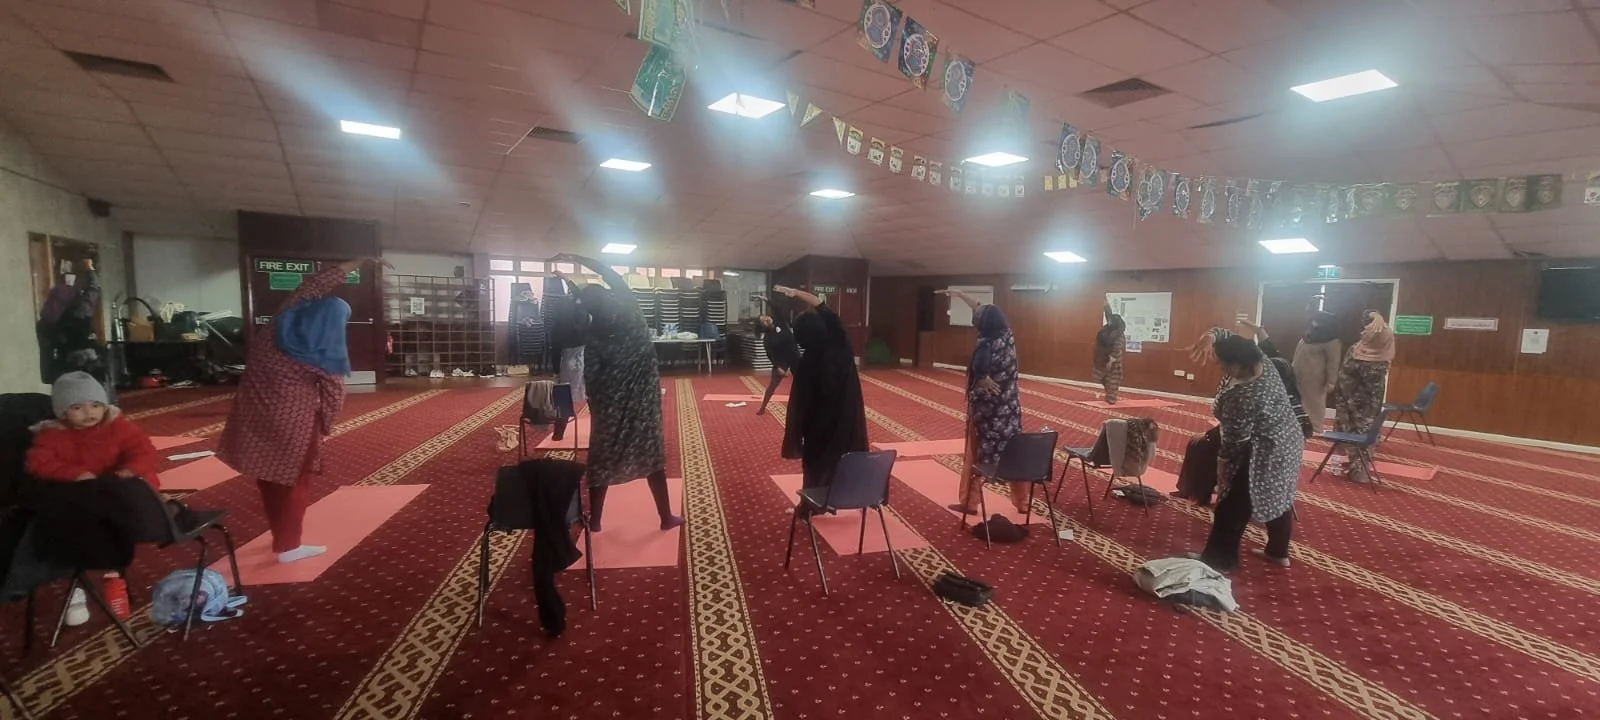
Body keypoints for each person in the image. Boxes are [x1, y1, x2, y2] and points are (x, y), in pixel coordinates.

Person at [219, 258, 374, 563]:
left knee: (269, 477)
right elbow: (333, 396)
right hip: (292, 424)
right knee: (293, 483)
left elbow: (311, 285)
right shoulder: (322, 353)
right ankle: (289, 546)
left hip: (252, 416)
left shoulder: (281, 323)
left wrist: (356, 263)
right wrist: (326, 428)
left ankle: (281, 535)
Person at [554, 255, 682, 532]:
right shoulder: (633, 315)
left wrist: (599, 407)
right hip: (644, 407)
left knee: (602, 460)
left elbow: (592, 380)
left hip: (610, 410)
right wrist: (577, 259)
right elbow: (612, 275)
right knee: (652, 458)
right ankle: (665, 517)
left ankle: (597, 521)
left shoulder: (595, 335)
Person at [1192, 335, 1304, 571]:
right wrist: (1213, 335)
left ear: (1240, 362)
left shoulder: (1242, 396)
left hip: (1263, 451)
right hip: (1288, 441)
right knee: (1280, 495)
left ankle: (1219, 560)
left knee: (1233, 505)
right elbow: (1233, 338)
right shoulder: (1265, 363)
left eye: (1224, 363)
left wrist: (1223, 471)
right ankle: (1277, 553)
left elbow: (1234, 444)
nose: (1221, 368)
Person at [938, 289, 1027, 515]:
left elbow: (980, 372)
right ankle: (1023, 503)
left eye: (976, 318)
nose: (974, 319)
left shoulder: (986, 345)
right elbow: (982, 308)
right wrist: (959, 294)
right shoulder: (1008, 335)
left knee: (976, 457)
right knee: (1015, 455)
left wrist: (982, 378)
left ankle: (969, 503)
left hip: (988, 415)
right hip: (1011, 411)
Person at [777, 285, 869, 490]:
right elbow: (824, 308)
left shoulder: (807, 363)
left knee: (816, 464)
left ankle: (811, 506)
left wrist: (797, 435)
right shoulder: (841, 344)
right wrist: (797, 293)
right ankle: (848, 496)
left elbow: (800, 406)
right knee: (844, 459)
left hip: (819, 427)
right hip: (847, 418)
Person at [25, 371, 160, 489]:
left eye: (96, 405)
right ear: (63, 412)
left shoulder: (118, 426)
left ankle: (158, 507)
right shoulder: (51, 435)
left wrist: (131, 469)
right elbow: (38, 462)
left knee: (143, 479)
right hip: (82, 490)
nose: (88, 412)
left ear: (105, 407)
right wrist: (74, 474)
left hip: (123, 484)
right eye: (77, 407)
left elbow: (143, 450)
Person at [1331, 310, 1394, 481]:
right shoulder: (1380, 352)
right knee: (1362, 436)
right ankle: (1357, 468)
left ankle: (1359, 472)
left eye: (1366, 330)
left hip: (1356, 404)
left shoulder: (1362, 354)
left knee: (1357, 436)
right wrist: (1376, 315)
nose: (1362, 332)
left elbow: (1352, 381)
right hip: (1364, 403)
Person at [36, 258, 112, 397]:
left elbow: (46, 352)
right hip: (86, 362)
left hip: (61, 368)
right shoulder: (79, 312)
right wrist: (89, 269)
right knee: (96, 397)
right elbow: (94, 289)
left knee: (68, 400)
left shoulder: (44, 322)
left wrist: (48, 374)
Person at [1291, 311, 1341, 433]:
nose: (1314, 323)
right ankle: (1298, 424)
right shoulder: (1307, 336)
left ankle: (1315, 427)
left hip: (1316, 378)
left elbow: (1333, 362)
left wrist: (1331, 381)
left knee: (1314, 402)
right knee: (1297, 399)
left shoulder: (1332, 341)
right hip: (1298, 374)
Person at [751, 295, 800, 416]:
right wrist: (778, 367)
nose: (767, 319)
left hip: (794, 355)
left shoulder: (780, 321)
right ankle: (763, 407)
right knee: (773, 384)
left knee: (802, 381)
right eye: (764, 321)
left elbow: (777, 309)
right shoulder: (768, 339)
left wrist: (767, 299)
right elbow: (770, 354)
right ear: (764, 326)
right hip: (781, 361)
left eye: (766, 317)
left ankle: (805, 404)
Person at [1092, 304, 1127, 404]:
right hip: (1107, 360)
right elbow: (1108, 314)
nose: (1109, 321)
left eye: (1110, 321)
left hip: (1108, 360)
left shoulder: (1112, 332)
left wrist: (1111, 361)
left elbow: (1117, 348)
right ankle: (1110, 399)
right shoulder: (1112, 331)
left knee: (1110, 380)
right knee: (1108, 379)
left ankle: (1111, 399)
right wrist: (1106, 306)